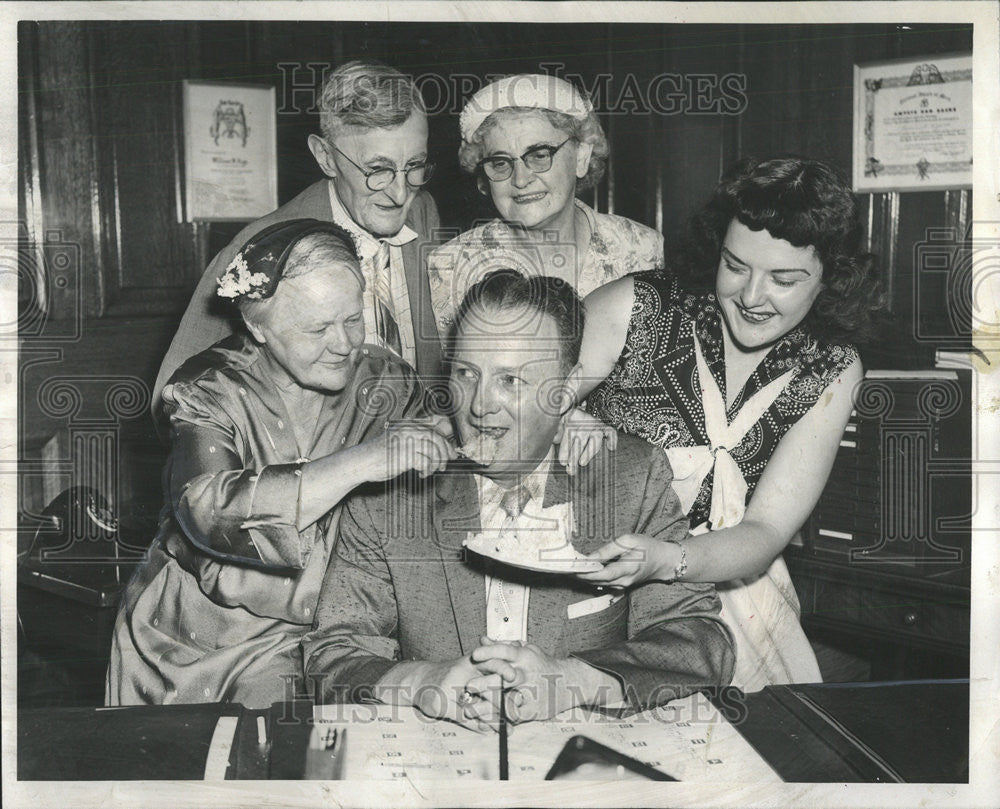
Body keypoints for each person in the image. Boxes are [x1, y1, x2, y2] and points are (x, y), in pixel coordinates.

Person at [302, 271, 734, 727]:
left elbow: (702, 642)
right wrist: (421, 684)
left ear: (565, 394)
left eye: (510, 380)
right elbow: (332, 655)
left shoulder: (629, 477)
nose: (479, 406)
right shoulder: (391, 493)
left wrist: (574, 682)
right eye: (467, 373)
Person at [107, 220, 456, 708]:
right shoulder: (210, 388)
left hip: (337, 629)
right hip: (198, 640)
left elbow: (458, 442)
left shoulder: (387, 381)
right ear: (258, 327)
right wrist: (364, 461)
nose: (344, 345)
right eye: (317, 328)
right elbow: (208, 511)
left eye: (353, 319)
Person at [570, 157, 885, 692]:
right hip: (584, 583)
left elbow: (766, 529)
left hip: (725, 596)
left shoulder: (831, 367)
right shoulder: (639, 306)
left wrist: (669, 560)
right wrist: (562, 417)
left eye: (784, 279)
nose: (752, 296)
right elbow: (513, 407)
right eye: (736, 266)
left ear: (831, 279)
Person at [153, 60, 444, 421]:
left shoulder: (425, 212)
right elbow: (173, 400)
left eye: (415, 166)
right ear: (326, 157)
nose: (401, 193)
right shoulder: (257, 249)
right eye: (378, 170)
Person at [426, 73, 663, 335]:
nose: (521, 179)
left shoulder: (642, 250)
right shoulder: (449, 268)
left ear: (582, 157)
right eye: (501, 162)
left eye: (539, 155)